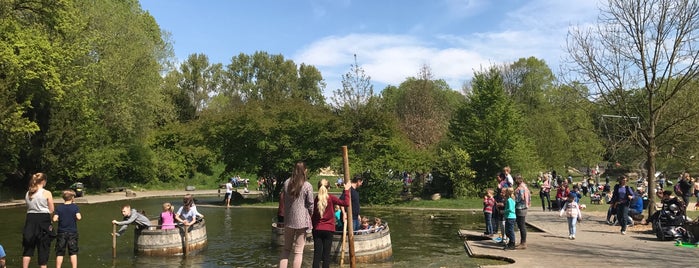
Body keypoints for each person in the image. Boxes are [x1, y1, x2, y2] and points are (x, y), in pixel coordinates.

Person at [279, 161, 314, 268]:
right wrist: (311, 214)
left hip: (288, 220)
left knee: (286, 249)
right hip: (302, 222)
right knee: (298, 251)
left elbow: (284, 200)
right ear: (305, 170)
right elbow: (311, 204)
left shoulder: (286, 183)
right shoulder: (307, 185)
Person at [311, 178, 351, 268]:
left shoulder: (316, 199)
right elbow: (346, 203)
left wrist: (312, 227)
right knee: (326, 255)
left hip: (317, 229)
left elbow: (313, 215)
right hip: (328, 229)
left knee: (317, 255)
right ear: (328, 188)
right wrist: (346, 191)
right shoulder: (331, 198)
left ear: (318, 188)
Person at [22, 172, 55, 268]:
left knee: (28, 248)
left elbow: (28, 207)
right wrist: (51, 220)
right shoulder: (47, 193)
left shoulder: (28, 193)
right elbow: (51, 209)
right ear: (43, 181)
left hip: (30, 219)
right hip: (43, 219)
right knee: (43, 247)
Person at [54, 190, 81, 268]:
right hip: (72, 232)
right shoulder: (75, 207)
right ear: (72, 198)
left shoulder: (59, 207)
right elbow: (79, 217)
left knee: (60, 252)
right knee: (73, 252)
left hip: (61, 232)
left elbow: (55, 219)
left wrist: (60, 219)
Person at [514, 175, 530, 249]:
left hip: (521, 207)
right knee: (521, 225)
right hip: (524, 207)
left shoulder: (521, 188)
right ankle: (522, 241)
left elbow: (520, 198)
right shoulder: (525, 186)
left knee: (521, 225)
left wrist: (513, 200)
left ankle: (523, 242)